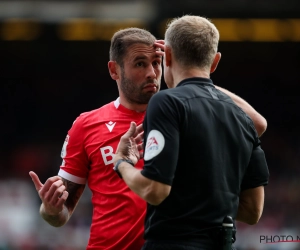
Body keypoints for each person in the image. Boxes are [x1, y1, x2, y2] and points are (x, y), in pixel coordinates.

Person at [29, 27, 267, 250]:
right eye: (140, 64)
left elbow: (255, 125)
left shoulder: (186, 111)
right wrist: (50, 209)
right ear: (114, 70)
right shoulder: (87, 124)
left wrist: (196, 78)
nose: (152, 73)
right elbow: (60, 214)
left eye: (157, 62)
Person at [112, 16, 269, 250]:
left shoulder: (166, 102)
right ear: (214, 62)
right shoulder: (241, 117)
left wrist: (122, 163)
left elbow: (154, 190)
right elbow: (253, 211)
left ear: (169, 56)